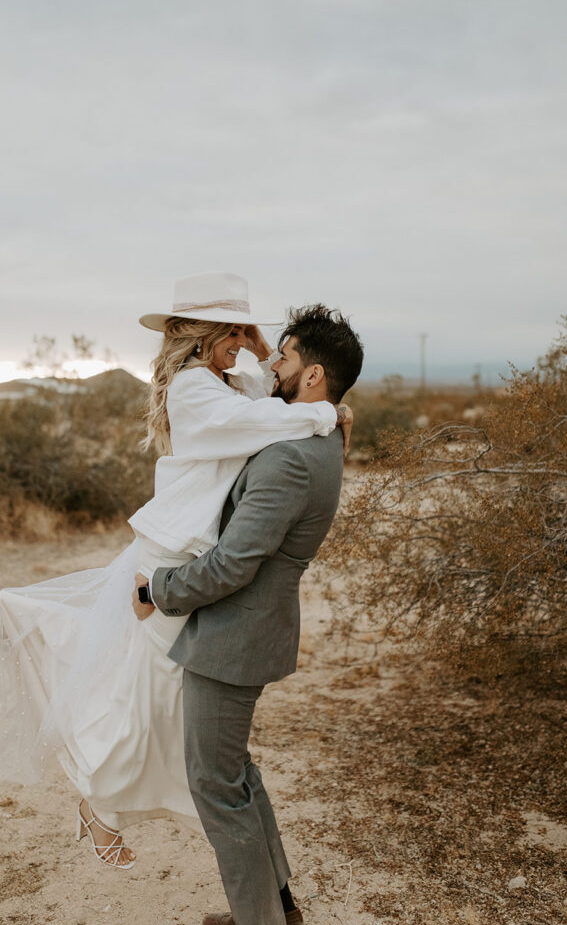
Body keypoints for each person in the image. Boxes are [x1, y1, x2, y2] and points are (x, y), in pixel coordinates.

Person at [0, 272, 353, 877]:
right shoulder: (193, 389)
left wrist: (261, 349)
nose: (246, 345)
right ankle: (100, 798)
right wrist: (329, 416)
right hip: (171, 552)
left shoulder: (224, 375)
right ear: (210, 335)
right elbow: (269, 421)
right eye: (234, 333)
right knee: (153, 693)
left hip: (187, 548)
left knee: (149, 690)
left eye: (247, 333)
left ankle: (103, 805)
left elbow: (271, 383)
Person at [133, 301, 364, 925]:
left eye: (285, 357)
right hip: (249, 628)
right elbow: (265, 399)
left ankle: (258, 919)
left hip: (235, 635)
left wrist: (159, 588)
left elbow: (234, 564)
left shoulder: (292, 456)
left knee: (215, 785)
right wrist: (268, 354)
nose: (273, 364)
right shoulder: (312, 434)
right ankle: (275, 907)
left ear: (312, 376)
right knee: (235, 773)